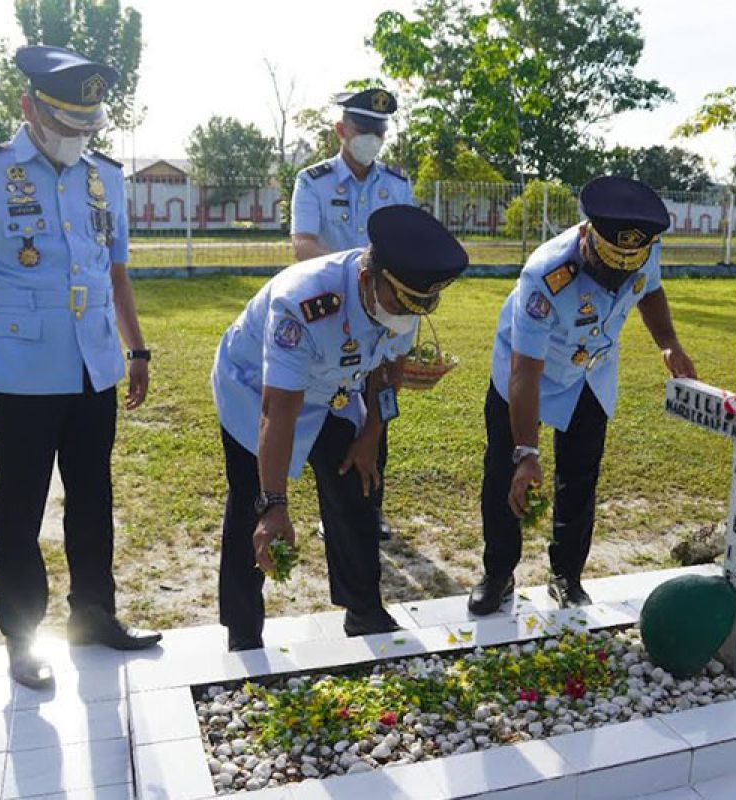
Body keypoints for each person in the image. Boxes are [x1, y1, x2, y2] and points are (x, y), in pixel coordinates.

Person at [0, 45, 161, 689]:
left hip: (95, 367)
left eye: (87, 126)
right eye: (65, 123)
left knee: (93, 498)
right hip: (22, 372)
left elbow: (115, 273)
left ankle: (93, 614)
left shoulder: (106, 177)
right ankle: (21, 636)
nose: (76, 137)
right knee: (20, 508)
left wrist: (137, 348)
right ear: (29, 107)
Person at [212, 204, 467, 651]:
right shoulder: (305, 302)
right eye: (397, 306)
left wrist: (371, 435)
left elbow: (389, 369)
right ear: (369, 279)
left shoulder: (405, 295)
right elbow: (278, 410)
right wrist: (275, 504)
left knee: (357, 487)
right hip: (255, 390)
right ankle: (243, 631)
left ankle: (364, 610)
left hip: (335, 390)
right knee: (253, 509)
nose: (405, 319)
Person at [467, 176, 698, 616]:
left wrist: (668, 342)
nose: (618, 278)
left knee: (580, 473)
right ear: (589, 238)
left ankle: (566, 575)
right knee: (504, 472)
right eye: (611, 267)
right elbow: (524, 374)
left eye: (628, 267)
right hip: (524, 368)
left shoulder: (641, 249)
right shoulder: (545, 275)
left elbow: (649, 290)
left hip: (591, 370)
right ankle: (498, 573)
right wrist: (526, 452)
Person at [289, 87, 414, 540]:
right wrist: (357, 274)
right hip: (334, 318)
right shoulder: (314, 181)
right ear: (342, 130)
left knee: (381, 405)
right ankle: (336, 509)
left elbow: (410, 245)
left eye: (380, 130)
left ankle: (372, 505)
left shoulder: (397, 185)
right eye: (365, 129)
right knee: (333, 413)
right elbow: (303, 245)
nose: (374, 137)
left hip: (384, 320)